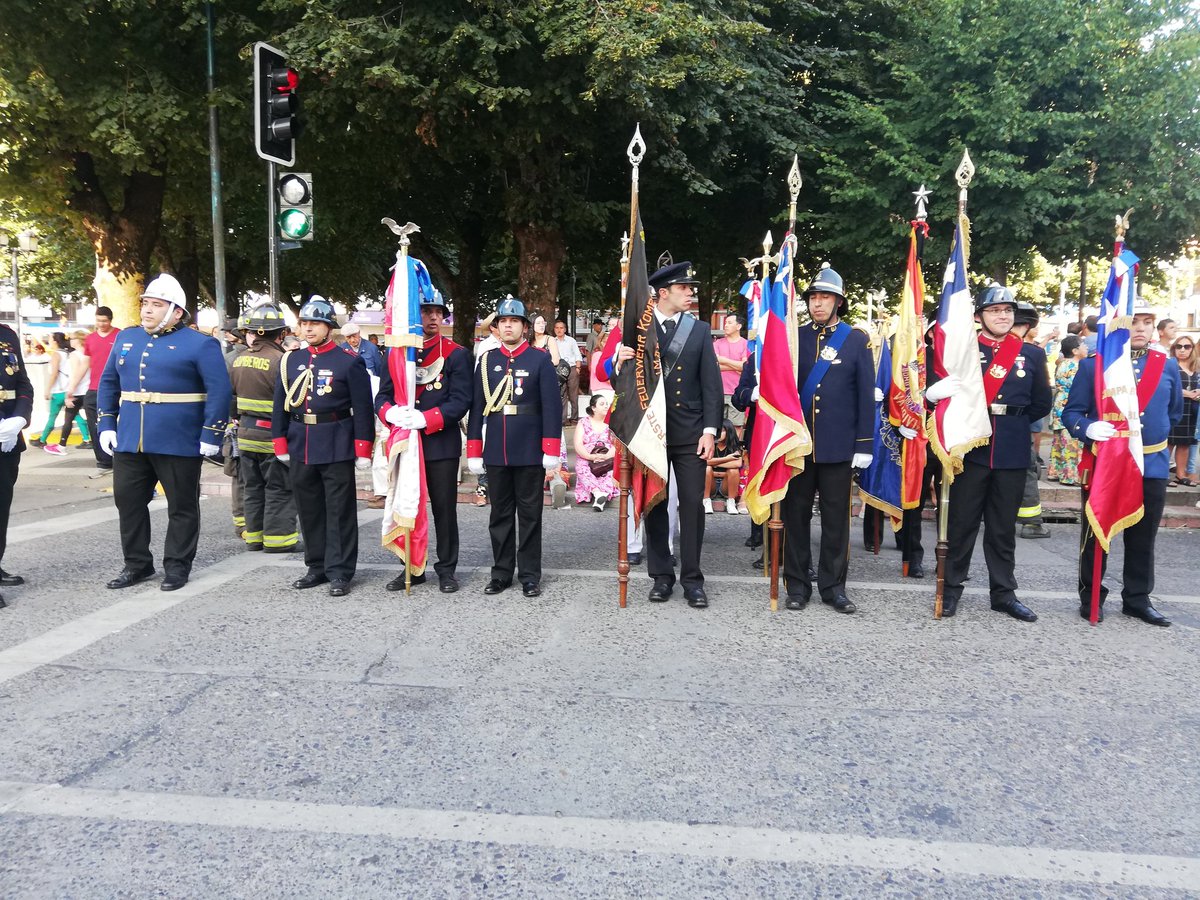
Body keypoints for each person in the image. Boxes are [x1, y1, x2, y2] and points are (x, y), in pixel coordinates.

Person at [97, 274, 232, 592]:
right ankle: (137, 564)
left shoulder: (200, 344)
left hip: (179, 439)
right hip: (131, 437)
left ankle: (177, 565)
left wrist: (211, 433)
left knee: (181, 506)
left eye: (156, 305)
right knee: (127, 501)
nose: (147, 310)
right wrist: (106, 423)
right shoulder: (126, 338)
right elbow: (108, 382)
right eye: (145, 303)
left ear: (176, 311)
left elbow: (220, 391)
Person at [926, 285, 1052, 622]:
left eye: (1008, 311)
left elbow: (1041, 402)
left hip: (1010, 449)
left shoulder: (1032, 354)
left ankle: (1004, 594)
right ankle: (951, 589)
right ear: (979, 316)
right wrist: (933, 395)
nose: (1003, 316)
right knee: (961, 525)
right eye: (995, 310)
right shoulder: (963, 352)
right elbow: (935, 391)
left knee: (1002, 528)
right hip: (971, 448)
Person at [1063, 301, 1182, 626]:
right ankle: (1091, 598)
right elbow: (1071, 413)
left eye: (1146, 322)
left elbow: (1173, 412)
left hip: (1151, 464)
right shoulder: (1094, 366)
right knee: (1097, 535)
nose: (1141, 328)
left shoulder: (1166, 365)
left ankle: (1137, 599)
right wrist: (1088, 428)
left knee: (1144, 538)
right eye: (1133, 322)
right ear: (1117, 327)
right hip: (1108, 466)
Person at [614, 261, 723, 608]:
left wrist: (710, 430)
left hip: (691, 432)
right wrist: (617, 360)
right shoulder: (636, 328)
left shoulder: (701, 330)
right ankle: (662, 577)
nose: (691, 293)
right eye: (684, 288)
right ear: (663, 293)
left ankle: (693, 580)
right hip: (652, 433)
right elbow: (619, 380)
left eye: (690, 288)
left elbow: (712, 385)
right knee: (655, 504)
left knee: (692, 505)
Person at [778, 264, 874, 613]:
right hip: (800, 446)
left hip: (838, 446)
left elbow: (866, 394)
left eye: (826, 297)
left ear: (839, 301)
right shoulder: (796, 337)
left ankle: (834, 588)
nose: (818, 304)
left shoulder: (856, 338)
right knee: (796, 517)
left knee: (836, 520)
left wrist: (864, 444)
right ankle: (797, 585)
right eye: (814, 298)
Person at [272, 297, 375, 597]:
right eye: (304, 324)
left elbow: (363, 407)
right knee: (309, 508)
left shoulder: (348, 361)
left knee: (339, 510)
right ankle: (316, 566)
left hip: (335, 441)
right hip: (300, 440)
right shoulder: (290, 360)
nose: (308, 329)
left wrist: (362, 447)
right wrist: (279, 440)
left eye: (315, 324)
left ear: (329, 327)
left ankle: (340, 570)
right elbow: (280, 404)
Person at [376, 290, 471, 593]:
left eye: (437, 312)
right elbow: (381, 397)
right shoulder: (397, 353)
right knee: (408, 506)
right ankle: (412, 568)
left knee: (444, 509)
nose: (432, 317)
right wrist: (392, 413)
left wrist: (426, 418)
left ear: (444, 316)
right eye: (425, 311)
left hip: (439, 442)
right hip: (406, 443)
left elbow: (460, 401)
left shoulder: (456, 353)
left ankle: (446, 569)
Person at [466, 297, 562, 597]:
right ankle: (501, 573)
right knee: (500, 515)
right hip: (496, 447)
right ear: (497, 327)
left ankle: (530, 575)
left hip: (529, 448)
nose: (508, 325)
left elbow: (552, 407)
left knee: (531, 514)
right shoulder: (486, 361)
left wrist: (551, 448)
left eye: (514, 321)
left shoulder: (539, 359)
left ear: (524, 326)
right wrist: (473, 450)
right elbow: (477, 406)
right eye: (503, 321)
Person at [229, 303, 299, 554]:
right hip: (272, 437)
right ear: (280, 334)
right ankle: (279, 540)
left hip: (245, 436)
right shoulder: (281, 361)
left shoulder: (238, 360)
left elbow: (231, 400)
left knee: (252, 488)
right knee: (279, 489)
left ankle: (254, 538)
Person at [0, 321, 35, 609]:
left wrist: (20, 419)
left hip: (7, 436)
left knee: (1, 506)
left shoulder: (7, 334)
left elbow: (22, 383)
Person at [1013, 301, 1051, 539]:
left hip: (983, 426)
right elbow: (1043, 401)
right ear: (1027, 326)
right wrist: (1020, 419)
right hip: (1017, 427)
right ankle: (1032, 523)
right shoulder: (1033, 353)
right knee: (1026, 471)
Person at [66, 306, 118, 478]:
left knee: (117, 425)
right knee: (94, 426)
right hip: (94, 388)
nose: (101, 324)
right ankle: (103, 462)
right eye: (98, 321)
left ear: (110, 320)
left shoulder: (120, 335)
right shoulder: (91, 339)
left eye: (105, 321)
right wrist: (72, 387)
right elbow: (84, 364)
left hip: (117, 389)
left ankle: (120, 461)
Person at [32, 332, 89, 455]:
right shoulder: (69, 354)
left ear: (55, 341)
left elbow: (55, 374)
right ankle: (86, 438)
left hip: (62, 390)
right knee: (76, 415)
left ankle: (44, 440)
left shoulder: (59, 355)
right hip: (76, 390)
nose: (49, 342)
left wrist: (48, 389)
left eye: (50, 340)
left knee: (56, 416)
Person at [1048, 334, 1086, 486]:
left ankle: (1055, 472)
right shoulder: (1075, 366)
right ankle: (1069, 475)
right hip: (1069, 406)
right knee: (1071, 442)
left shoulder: (1062, 363)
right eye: (1083, 345)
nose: (1086, 347)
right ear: (1075, 350)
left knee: (1059, 441)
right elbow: (1076, 388)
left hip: (1059, 406)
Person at [573, 393, 618, 510]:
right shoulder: (583, 422)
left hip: (607, 457)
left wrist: (606, 456)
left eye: (607, 404)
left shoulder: (613, 422)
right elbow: (578, 444)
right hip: (587, 457)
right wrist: (590, 456)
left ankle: (600, 497)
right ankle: (598, 493)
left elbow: (617, 444)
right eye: (602, 404)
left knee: (612, 470)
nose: (606, 406)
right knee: (581, 467)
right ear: (593, 408)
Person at [712, 314, 750, 440]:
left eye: (729, 323)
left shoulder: (746, 344)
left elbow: (745, 368)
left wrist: (723, 360)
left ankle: (735, 453)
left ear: (738, 326)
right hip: (718, 391)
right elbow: (714, 366)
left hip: (737, 392)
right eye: (726, 322)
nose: (726, 325)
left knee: (736, 426)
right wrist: (737, 365)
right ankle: (717, 454)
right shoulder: (717, 343)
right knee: (717, 425)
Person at [1167, 335, 1198, 485]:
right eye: (1179, 346)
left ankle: (1181, 474)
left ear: (1192, 349)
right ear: (1174, 349)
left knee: (1185, 443)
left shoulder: (1196, 368)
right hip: (1174, 409)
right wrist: (1187, 394)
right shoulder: (1170, 365)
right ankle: (1162, 475)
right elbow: (1167, 387)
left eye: (1187, 346)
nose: (1183, 350)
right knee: (1169, 443)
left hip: (1192, 411)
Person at [703, 419, 743, 516]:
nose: (719, 434)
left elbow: (737, 464)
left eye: (723, 431)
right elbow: (704, 462)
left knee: (733, 471)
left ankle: (731, 502)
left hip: (727, 484)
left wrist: (715, 464)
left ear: (729, 431)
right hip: (710, 483)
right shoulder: (710, 444)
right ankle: (706, 501)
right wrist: (727, 459)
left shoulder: (734, 446)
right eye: (718, 431)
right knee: (707, 469)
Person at [553, 319, 583, 424]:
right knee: (562, 394)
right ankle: (563, 419)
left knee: (573, 395)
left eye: (561, 328)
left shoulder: (571, 341)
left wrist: (578, 368)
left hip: (572, 368)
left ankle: (574, 418)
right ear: (554, 329)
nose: (559, 330)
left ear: (565, 329)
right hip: (559, 371)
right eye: (557, 328)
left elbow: (577, 354)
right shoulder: (552, 341)